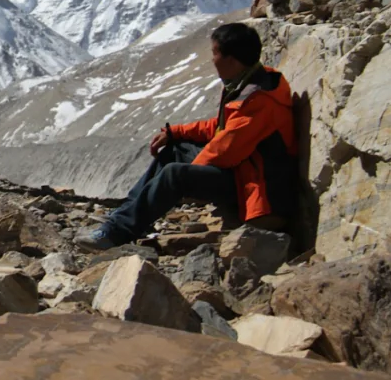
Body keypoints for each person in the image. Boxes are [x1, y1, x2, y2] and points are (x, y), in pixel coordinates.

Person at [76, 22, 298, 251]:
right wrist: (176, 133)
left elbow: (226, 150)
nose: (212, 60)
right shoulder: (249, 83)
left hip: (258, 187)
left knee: (175, 174)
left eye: (215, 53)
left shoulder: (258, 100)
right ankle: (126, 213)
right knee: (175, 149)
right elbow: (223, 128)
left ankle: (115, 233)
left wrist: (190, 178)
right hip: (245, 170)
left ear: (231, 60)